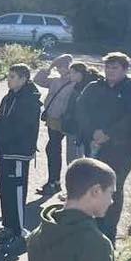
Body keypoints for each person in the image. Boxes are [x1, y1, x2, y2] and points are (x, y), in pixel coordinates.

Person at [74, 53, 131, 243]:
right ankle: (92, 228)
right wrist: (93, 132)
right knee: (93, 187)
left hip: (121, 149)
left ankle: (108, 234)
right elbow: (81, 109)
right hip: (94, 145)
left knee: (113, 188)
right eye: (108, 67)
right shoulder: (93, 87)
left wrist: (108, 133)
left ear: (124, 69)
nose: (110, 71)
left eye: (115, 68)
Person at [0, 63, 42, 238]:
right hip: (3, 152)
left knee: (16, 192)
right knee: (5, 190)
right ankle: (8, 226)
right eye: (8, 76)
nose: (8, 80)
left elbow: (20, 129)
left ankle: (18, 231)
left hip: (18, 152)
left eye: (12, 77)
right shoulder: (9, 96)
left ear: (24, 79)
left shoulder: (30, 100)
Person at [35, 54, 79, 195]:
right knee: (53, 149)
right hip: (53, 119)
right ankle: (54, 182)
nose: (60, 69)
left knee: (64, 152)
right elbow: (38, 80)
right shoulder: (55, 81)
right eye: (58, 66)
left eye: (63, 66)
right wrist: (48, 68)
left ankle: (57, 183)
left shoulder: (75, 83)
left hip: (65, 121)